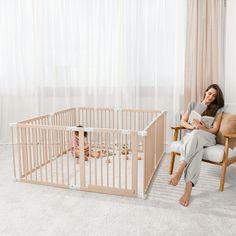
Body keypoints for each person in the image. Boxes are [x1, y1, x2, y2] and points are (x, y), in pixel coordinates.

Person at [168, 84, 224, 207]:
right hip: (193, 135)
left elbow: (214, 130)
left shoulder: (218, 110)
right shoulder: (193, 105)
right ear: (205, 92)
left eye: (214, 96)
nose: (211, 97)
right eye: (209, 93)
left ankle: (180, 169)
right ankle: (187, 192)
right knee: (196, 146)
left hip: (207, 137)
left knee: (197, 135)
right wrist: (192, 127)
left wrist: (203, 128)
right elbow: (182, 121)